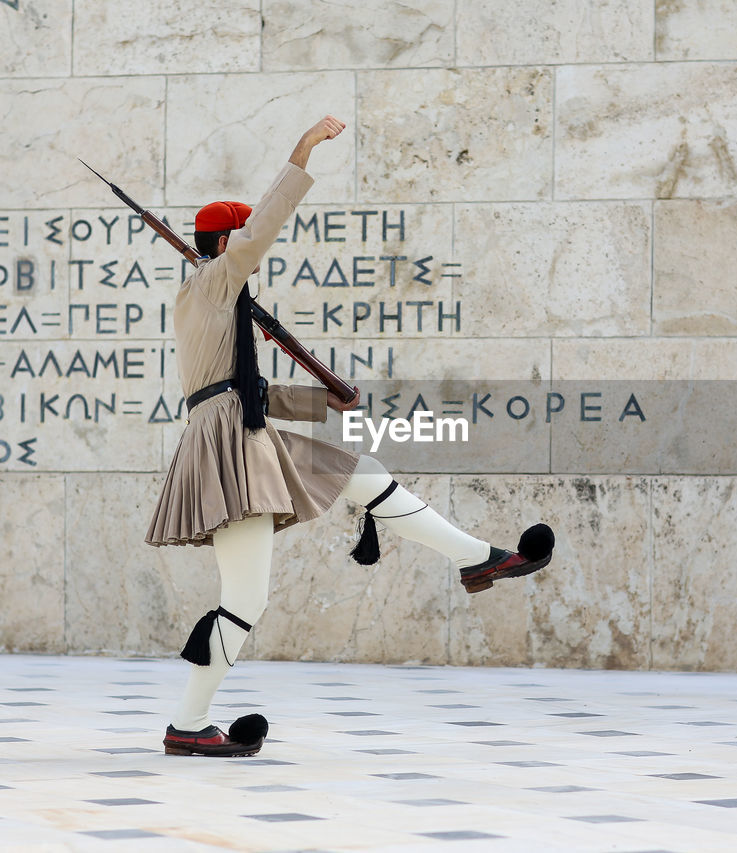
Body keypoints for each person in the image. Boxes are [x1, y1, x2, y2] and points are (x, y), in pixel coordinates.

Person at [144, 115, 553, 757]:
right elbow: (261, 237)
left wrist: (323, 400)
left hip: (237, 431)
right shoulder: (212, 283)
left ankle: (478, 557)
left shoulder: (214, 298)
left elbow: (246, 391)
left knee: (362, 473)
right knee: (245, 599)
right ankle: (187, 724)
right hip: (230, 448)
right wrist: (301, 152)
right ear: (226, 245)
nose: (252, 253)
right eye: (242, 241)